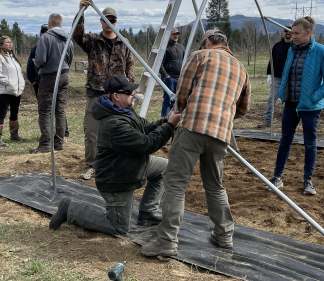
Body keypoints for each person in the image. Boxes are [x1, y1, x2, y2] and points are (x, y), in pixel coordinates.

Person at [141, 28, 251, 257]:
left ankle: (166, 242)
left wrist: (182, 110)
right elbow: (242, 108)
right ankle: (224, 236)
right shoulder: (241, 69)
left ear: (208, 41)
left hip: (192, 127)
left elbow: (182, 92)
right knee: (215, 185)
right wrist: (222, 118)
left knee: (176, 185)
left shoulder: (200, 56)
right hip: (221, 135)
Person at [49, 75, 181, 235]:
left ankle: (147, 213)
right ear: (116, 96)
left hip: (129, 166)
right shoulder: (114, 123)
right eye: (129, 92)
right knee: (118, 227)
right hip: (116, 179)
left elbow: (146, 127)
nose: (134, 93)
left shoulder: (124, 111)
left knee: (163, 168)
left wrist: (166, 120)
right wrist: (169, 125)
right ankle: (70, 208)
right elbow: (147, 144)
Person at [266, 17, 324, 196]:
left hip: (310, 106)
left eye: (296, 33)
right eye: (291, 33)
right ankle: (277, 178)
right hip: (290, 103)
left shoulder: (321, 51)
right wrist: (283, 93)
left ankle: (307, 181)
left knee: (310, 143)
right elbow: (287, 73)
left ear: (308, 32)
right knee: (285, 140)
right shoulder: (292, 50)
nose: (292, 36)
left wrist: (314, 97)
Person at [73, 0, 135, 180]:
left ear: (116, 21)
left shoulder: (124, 42)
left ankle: (119, 162)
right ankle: (91, 165)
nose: (109, 22)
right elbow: (77, 36)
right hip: (96, 92)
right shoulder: (93, 40)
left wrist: (130, 90)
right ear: (101, 21)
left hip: (117, 95)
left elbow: (130, 66)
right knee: (91, 130)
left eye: (112, 20)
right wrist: (81, 12)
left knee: (122, 128)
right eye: (106, 19)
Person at [30, 14, 74, 153]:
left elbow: (40, 59)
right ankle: (59, 141)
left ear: (49, 24)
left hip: (49, 76)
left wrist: (37, 64)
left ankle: (45, 144)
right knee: (59, 109)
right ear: (60, 24)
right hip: (64, 75)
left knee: (45, 110)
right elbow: (70, 58)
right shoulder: (68, 38)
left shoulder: (45, 37)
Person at [0, 36, 26, 146]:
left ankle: (14, 135)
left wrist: (21, 83)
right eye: (7, 42)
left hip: (16, 91)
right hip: (5, 91)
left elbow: (18, 73)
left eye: (11, 42)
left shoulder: (13, 58)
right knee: (1, 113)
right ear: (1, 45)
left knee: (14, 113)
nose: (10, 44)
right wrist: (9, 82)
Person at [258, 24, 292, 128]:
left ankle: (289, 122)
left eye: (290, 31)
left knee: (290, 101)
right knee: (271, 99)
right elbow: (271, 60)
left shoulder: (295, 47)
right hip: (277, 78)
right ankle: (268, 121)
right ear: (283, 32)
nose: (288, 33)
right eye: (286, 31)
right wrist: (269, 74)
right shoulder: (277, 46)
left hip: (290, 79)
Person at [159, 27, 185, 117]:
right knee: (168, 100)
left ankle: (173, 120)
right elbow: (159, 63)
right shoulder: (164, 47)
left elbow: (185, 61)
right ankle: (164, 120)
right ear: (168, 35)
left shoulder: (180, 47)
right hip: (169, 78)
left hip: (179, 78)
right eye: (174, 34)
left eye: (177, 34)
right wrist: (166, 76)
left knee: (176, 101)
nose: (176, 36)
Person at [27, 24, 48, 99]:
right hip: (39, 82)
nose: (44, 34)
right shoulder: (35, 49)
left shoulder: (54, 47)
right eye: (43, 32)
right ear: (40, 33)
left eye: (47, 32)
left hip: (51, 80)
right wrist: (33, 81)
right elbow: (29, 66)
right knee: (41, 104)